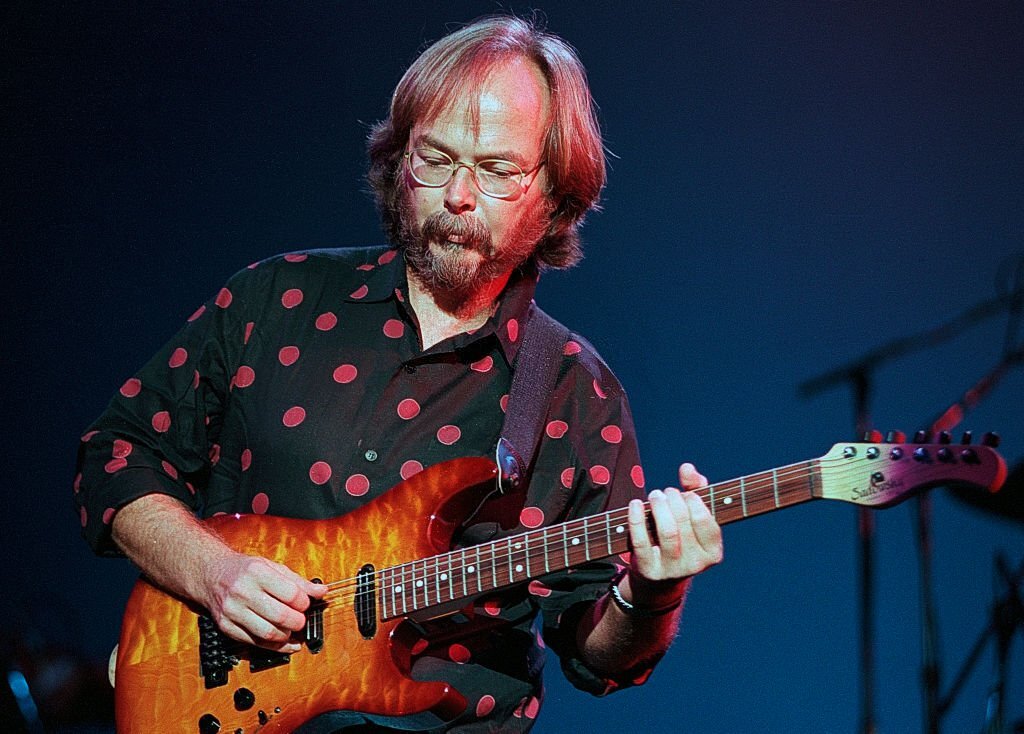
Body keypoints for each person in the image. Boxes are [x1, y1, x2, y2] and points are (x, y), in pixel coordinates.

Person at [74, 14, 723, 733]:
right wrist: (211, 573)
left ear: (555, 195)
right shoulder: (275, 300)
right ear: (398, 158)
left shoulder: (579, 395)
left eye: (497, 170)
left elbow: (600, 657)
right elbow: (116, 454)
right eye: (435, 158)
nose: (457, 196)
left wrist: (653, 595)